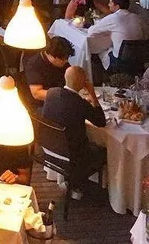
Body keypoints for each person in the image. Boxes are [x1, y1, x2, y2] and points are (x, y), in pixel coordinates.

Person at [42, 65, 106, 199]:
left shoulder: (51, 92)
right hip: (71, 158)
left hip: (49, 149)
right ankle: (81, 183)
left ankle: (73, 183)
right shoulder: (79, 103)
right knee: (103, 150)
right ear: (83, 83)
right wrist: (92, 93)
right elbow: (101, 122)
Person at [86, 0, 146, 71]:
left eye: (111, 3)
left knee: (100, 49)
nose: (108, 4)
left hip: (119, 62)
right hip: (138, 61)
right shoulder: (137, 18)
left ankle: (102, 77)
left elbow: (91, 31)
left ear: (117, 6)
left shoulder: (113, 18)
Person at [24, 36, 75, 106]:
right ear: (51, 55)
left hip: (61, 97)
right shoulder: (34, 64)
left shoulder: (63, 62)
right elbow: (37, 93)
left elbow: (73, 75)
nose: (65, 61)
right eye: (62, 59)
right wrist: (63, 96)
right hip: (42, 104)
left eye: (66, 58)